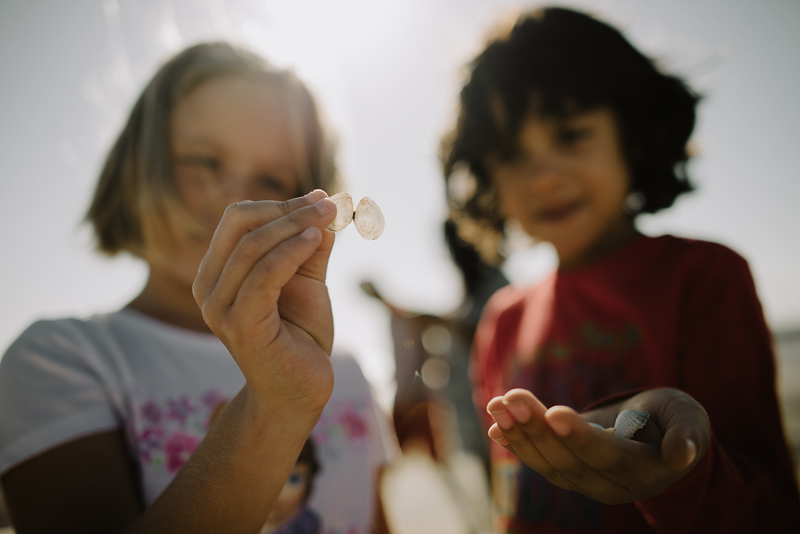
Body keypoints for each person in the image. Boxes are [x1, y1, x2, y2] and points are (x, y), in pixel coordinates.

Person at [0, 42, 395, 534]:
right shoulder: (60, 360)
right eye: (204, 162)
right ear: (138, 167)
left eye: (272, 176)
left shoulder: (343, 376)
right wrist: (278, 407)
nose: (237, 200)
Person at [440, 6, 800, 533]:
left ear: (630, 132)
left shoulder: (703, 278)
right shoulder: (503, 320)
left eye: (570, 135)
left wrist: (680, 472)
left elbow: (771, 509)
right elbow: (509, 497)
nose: (542, 177)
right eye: (511, 155)